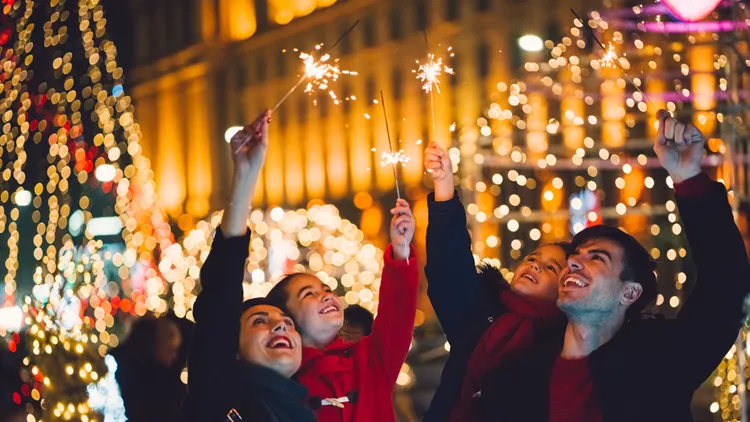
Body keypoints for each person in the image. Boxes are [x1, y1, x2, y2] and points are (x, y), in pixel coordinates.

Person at [465, 111, 750, 421]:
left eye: (596, 258)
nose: (572, 261)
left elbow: (725, 284)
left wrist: (688, 177)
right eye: (576, 255)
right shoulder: (513, 383)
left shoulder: (658, 360)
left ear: (629, 293)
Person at [181, 111, 315, 422]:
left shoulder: (304, 414)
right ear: (233, 348)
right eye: (259, 321)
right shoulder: (220, 399)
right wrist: (245, 175)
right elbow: (221, 291)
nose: (281, 326)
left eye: (288, 323)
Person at [421, 142, 569, 422]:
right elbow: (449, 266)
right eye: (532, 258)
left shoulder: (562, 340)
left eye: (551, 267)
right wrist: (444, 188)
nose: (535, 265)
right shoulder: (481, 308)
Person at [266, 199, 420, 422]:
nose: (327, 295)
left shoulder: (370, 360)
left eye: (326, 289)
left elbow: (397, 314)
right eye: (308, 294)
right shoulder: (283, 382)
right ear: (286, 319)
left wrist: (401, 249)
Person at [110, 316, 186, 421]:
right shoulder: (142, 376)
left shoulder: (163, 374)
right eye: (170, 349)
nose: (174, 355)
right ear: (155, 344)